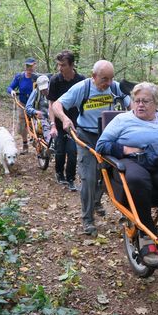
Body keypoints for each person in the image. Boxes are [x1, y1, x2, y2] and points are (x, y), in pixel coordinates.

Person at [96, 82, 158, 267]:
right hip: (134, 161)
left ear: (156, 103)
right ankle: (146, 234)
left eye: (146, 101)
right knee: (136, 179)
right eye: (137, 100)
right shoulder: (122, 120)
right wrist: (124, 149)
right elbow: (101, 146)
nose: (140, 105)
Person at [52, 60, 130, 236]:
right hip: (86, 137)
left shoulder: (115, 87)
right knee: (88, 177)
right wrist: (64, 119)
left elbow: (131, 103)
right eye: (104, 79)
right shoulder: (83, 88)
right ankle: (87, 219)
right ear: (93, 76)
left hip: (109, 137)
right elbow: (57, 104)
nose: (108, 83)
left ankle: (97, 200)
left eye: (111, 78)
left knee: (112, 174)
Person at [47, 51, 85, 192]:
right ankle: (59, 173)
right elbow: (51, 104)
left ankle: (70, 179)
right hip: (58, 122)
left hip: (75, 124)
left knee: (72, 151)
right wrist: (52, 125)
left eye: (63, 65)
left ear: (72, 65)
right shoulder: (55, 80)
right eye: (58, 65)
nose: (60, 68)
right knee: (60, 151)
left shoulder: (81, 81)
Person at [7, 57, 39, 154]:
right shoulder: (19, 77)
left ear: (35, 66)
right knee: (22, 125)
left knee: (37, 124)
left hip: (35, 104)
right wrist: (12, 91)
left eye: (31, 66)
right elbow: (10, 87)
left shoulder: (37, 77)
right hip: (22, 104)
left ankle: (37, 141)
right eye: (27, 66)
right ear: (25, 66)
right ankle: (25, 144)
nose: (29, 68)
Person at [25, 74, 52, 144]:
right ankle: (50, 143)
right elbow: (27, 107)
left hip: (53, 117)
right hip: (41, 118)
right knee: (45, 126)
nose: (44, 91)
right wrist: (35, 112)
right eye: (42, 89)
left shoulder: (54, 91)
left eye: (45, 88)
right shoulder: (36, 92)